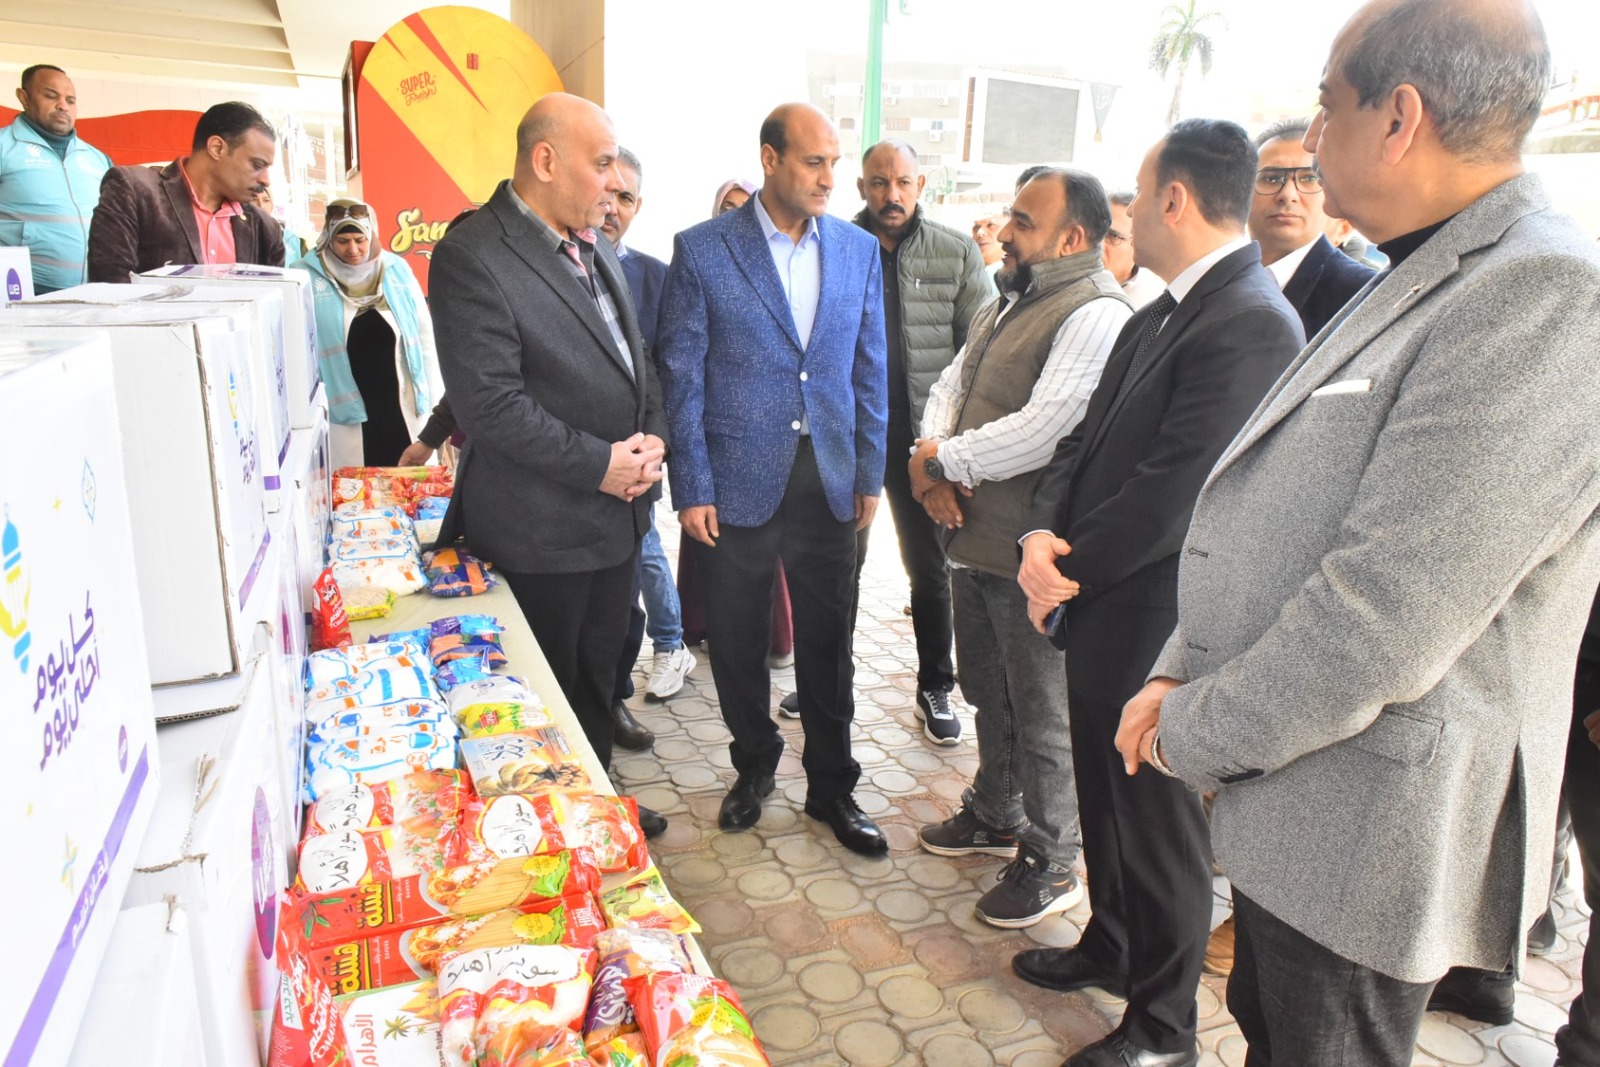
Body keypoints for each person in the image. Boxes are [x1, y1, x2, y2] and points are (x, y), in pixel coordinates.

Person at [1113, 1, 1600, 1062]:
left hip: (1366, 832)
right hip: (1303, 796)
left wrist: (1190, 726)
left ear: (1399, 117)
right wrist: (1179, 662)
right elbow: (1280, 512)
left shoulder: (1541, 288)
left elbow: (1383, 615)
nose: (1311, 139)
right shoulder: (1423, 267)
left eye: (1328, 108)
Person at [1013, 119, 1304, 1067]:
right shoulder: (1158, 311)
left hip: (1162, 623)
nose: (1127, 213)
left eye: (1138, 196)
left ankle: (1164, 1027)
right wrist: (1040, 537)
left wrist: (1067, 567)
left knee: (1158, 823)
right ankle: (1110, 942)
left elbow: (1173, 494)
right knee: (1106, 798)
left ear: (1175, 199)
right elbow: (1084, 447)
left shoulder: (1251, 320)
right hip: (1103, 606)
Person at [428, 92, 670, 839]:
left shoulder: (592, 243)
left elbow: (638, 361)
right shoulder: (473, 254)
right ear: (545, 160)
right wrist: (601, 464)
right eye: (602, 164)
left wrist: (652, 440)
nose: (615, 182)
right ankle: (555, 832)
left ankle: (596, 805)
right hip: (540, 534)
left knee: (598, 681)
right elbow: (491, 406)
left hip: (618, 519)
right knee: (546, 696)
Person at [658, 103, 889, 855]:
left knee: (829, 637)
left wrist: (869, 470)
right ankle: (754, 764)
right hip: (735, 481)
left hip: (829, 476)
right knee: (735, 637)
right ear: (770, 159)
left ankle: (833, 786)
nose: (829, 178)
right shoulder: (704, 249)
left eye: (834, 163)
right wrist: (692, 485)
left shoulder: (856, 249)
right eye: (813, 162)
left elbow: (869, 367)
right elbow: (682, 375)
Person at [913, 168, 1130, 927]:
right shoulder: (1009, 299)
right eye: (1011, 217)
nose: (1005, 232)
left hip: (1032, 555)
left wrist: (942, 464)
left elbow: (1045, 429)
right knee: (987, 689)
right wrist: (933, 460)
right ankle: (996, 810)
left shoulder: (1095, 312)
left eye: (1024, 223)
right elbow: (950, 383)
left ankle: (1052, 857)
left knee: (1042, 714)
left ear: (1072, 239)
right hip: (974, 540)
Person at [779, 140, 988, 743]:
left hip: (925, 446)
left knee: (930, 569)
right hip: (848, 440)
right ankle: (827, 681)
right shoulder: (835, 246)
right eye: (877, 182)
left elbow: (978, 351)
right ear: (861, 187)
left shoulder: (956, 251)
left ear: (920, 184)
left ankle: (935, 686)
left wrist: (949, 450)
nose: (890, 195)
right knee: (839, 565)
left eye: (901, 182)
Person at [674, 178, 796, 669]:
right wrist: (691, 476)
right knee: (712, 550)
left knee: (767, 560)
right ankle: (707, 631)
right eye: (726, 207)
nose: (734, 217)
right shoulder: (697, 256)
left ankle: (774, 640)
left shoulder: (781, 269)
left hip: (773, 451)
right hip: (715, 447)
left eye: (743, 208)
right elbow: (684, 370)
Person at [600, 146, 695, 752]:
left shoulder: (656, 277)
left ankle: (651, 659)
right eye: (607, 194)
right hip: (575, 458)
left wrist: (657, 445)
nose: (613, 208)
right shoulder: (553, 267)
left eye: (626, 198)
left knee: (638, 557)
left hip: (640, 453)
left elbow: (669, 368)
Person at [296, 198, 444, 469]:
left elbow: (424, 338)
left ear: (371, 235)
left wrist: (435, 406)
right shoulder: (305, 276)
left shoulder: (395, 270)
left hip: (401, 406)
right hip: (345, 416)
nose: (353, 249)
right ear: (328, 237)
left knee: (409, 483)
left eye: (360, 239)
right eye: (342, 241)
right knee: (354, 487)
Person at [88, 101, 283, 280]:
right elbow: (111, 288)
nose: (266, 180)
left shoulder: (266, 229)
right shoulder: (134, 191)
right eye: (257, 165)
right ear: (217, 148)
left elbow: (276, 301)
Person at [1246, 117, 1376, 339]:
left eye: (1308, 178)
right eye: (1271, 179)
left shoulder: (1363, 294)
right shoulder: (1217, 285)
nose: (1288, 194)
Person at [0, 65, 111, 293]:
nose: (63, 106)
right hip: (22, 292)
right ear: (24, 98)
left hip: (94, 292)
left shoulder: (97, 159)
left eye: (71, 100)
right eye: (51, 96)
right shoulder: (4, 146)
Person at [1103, 192, 1167, 308]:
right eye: (1096, 231)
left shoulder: (1156, 299)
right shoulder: (1071, 279)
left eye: (1113, 236)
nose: (1098, 244)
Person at [255, 188, 306, 262]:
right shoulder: (240, 238)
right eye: (254, 199)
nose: (261, 205)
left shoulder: (290, 239)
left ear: (272, 205)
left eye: (266, 200)